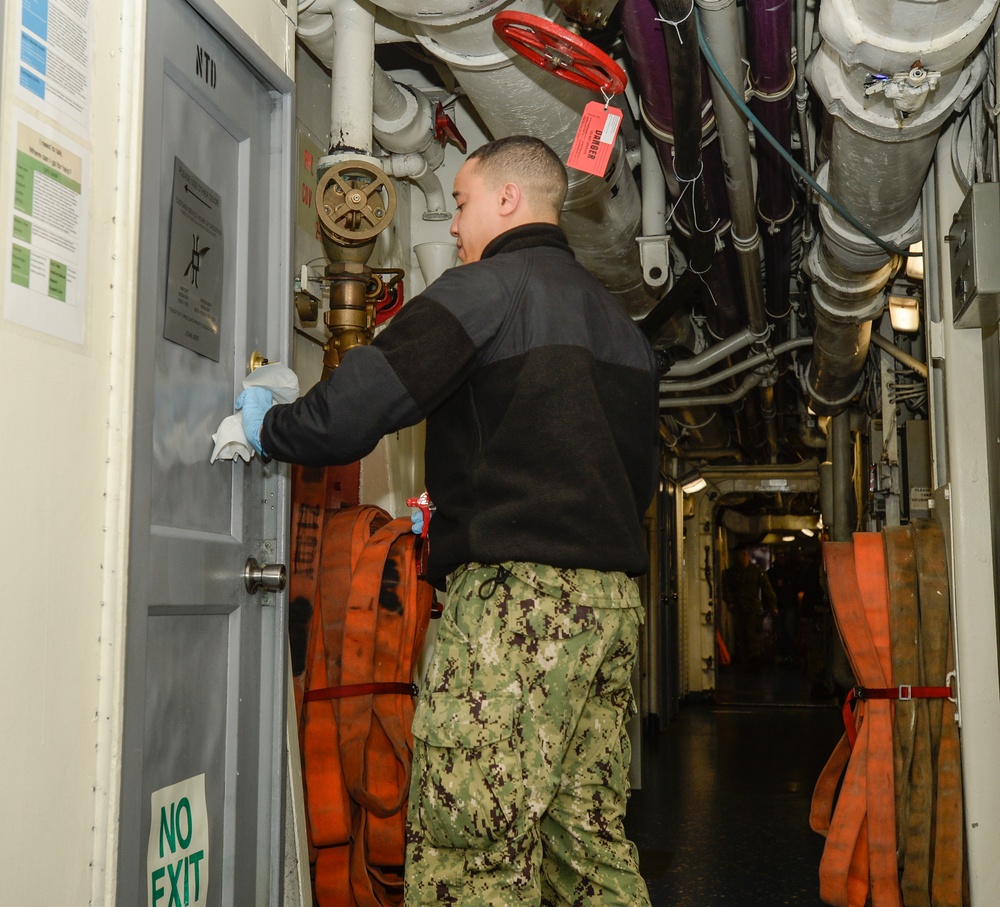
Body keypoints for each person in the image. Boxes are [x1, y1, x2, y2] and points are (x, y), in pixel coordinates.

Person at [237, 135, 658, 906]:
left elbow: (363, 404)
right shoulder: (621, 323)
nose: (455, 226)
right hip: (611, 612)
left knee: (474, 851)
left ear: (506, 199)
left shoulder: (487, 289)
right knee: (586, 844)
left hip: (515, 608)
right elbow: (643, 482)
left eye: (461, 204)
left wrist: (269, 425)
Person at [721, 546, 777, 670]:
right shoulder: (733, 572)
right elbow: (726, 588)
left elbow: (767, 588)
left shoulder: (756, 571)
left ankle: (754, 663)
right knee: (743, 637)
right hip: (739, 609)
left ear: (745, 555)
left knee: (753, 638)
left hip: (753, 610)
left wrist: (773, 605)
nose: (738, 558)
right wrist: (730, 602)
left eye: (740, 555)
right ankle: (747, 662)